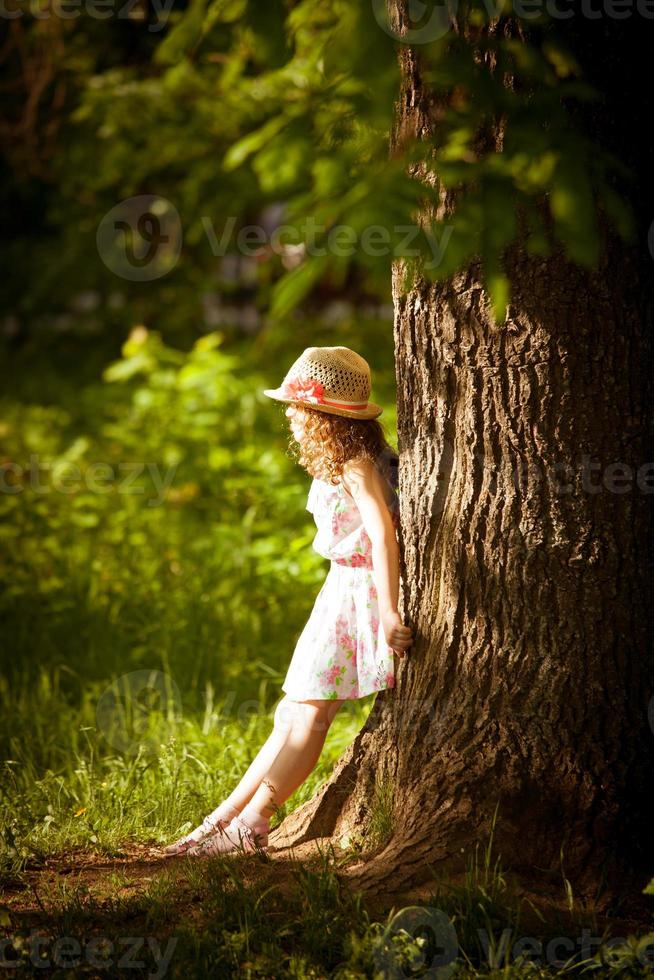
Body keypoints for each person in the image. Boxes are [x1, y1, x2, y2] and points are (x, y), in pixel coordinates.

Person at [162, 346, 414, 858]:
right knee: (290, 712)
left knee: (309, 716)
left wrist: (388, 611)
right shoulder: (341, 462)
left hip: (360, 598)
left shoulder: (356, 466)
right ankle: (221, 819)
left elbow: (383, 535)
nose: (291, 418)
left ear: (326, 419)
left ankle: (254, 824)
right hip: (337, 595)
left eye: (298, 410)